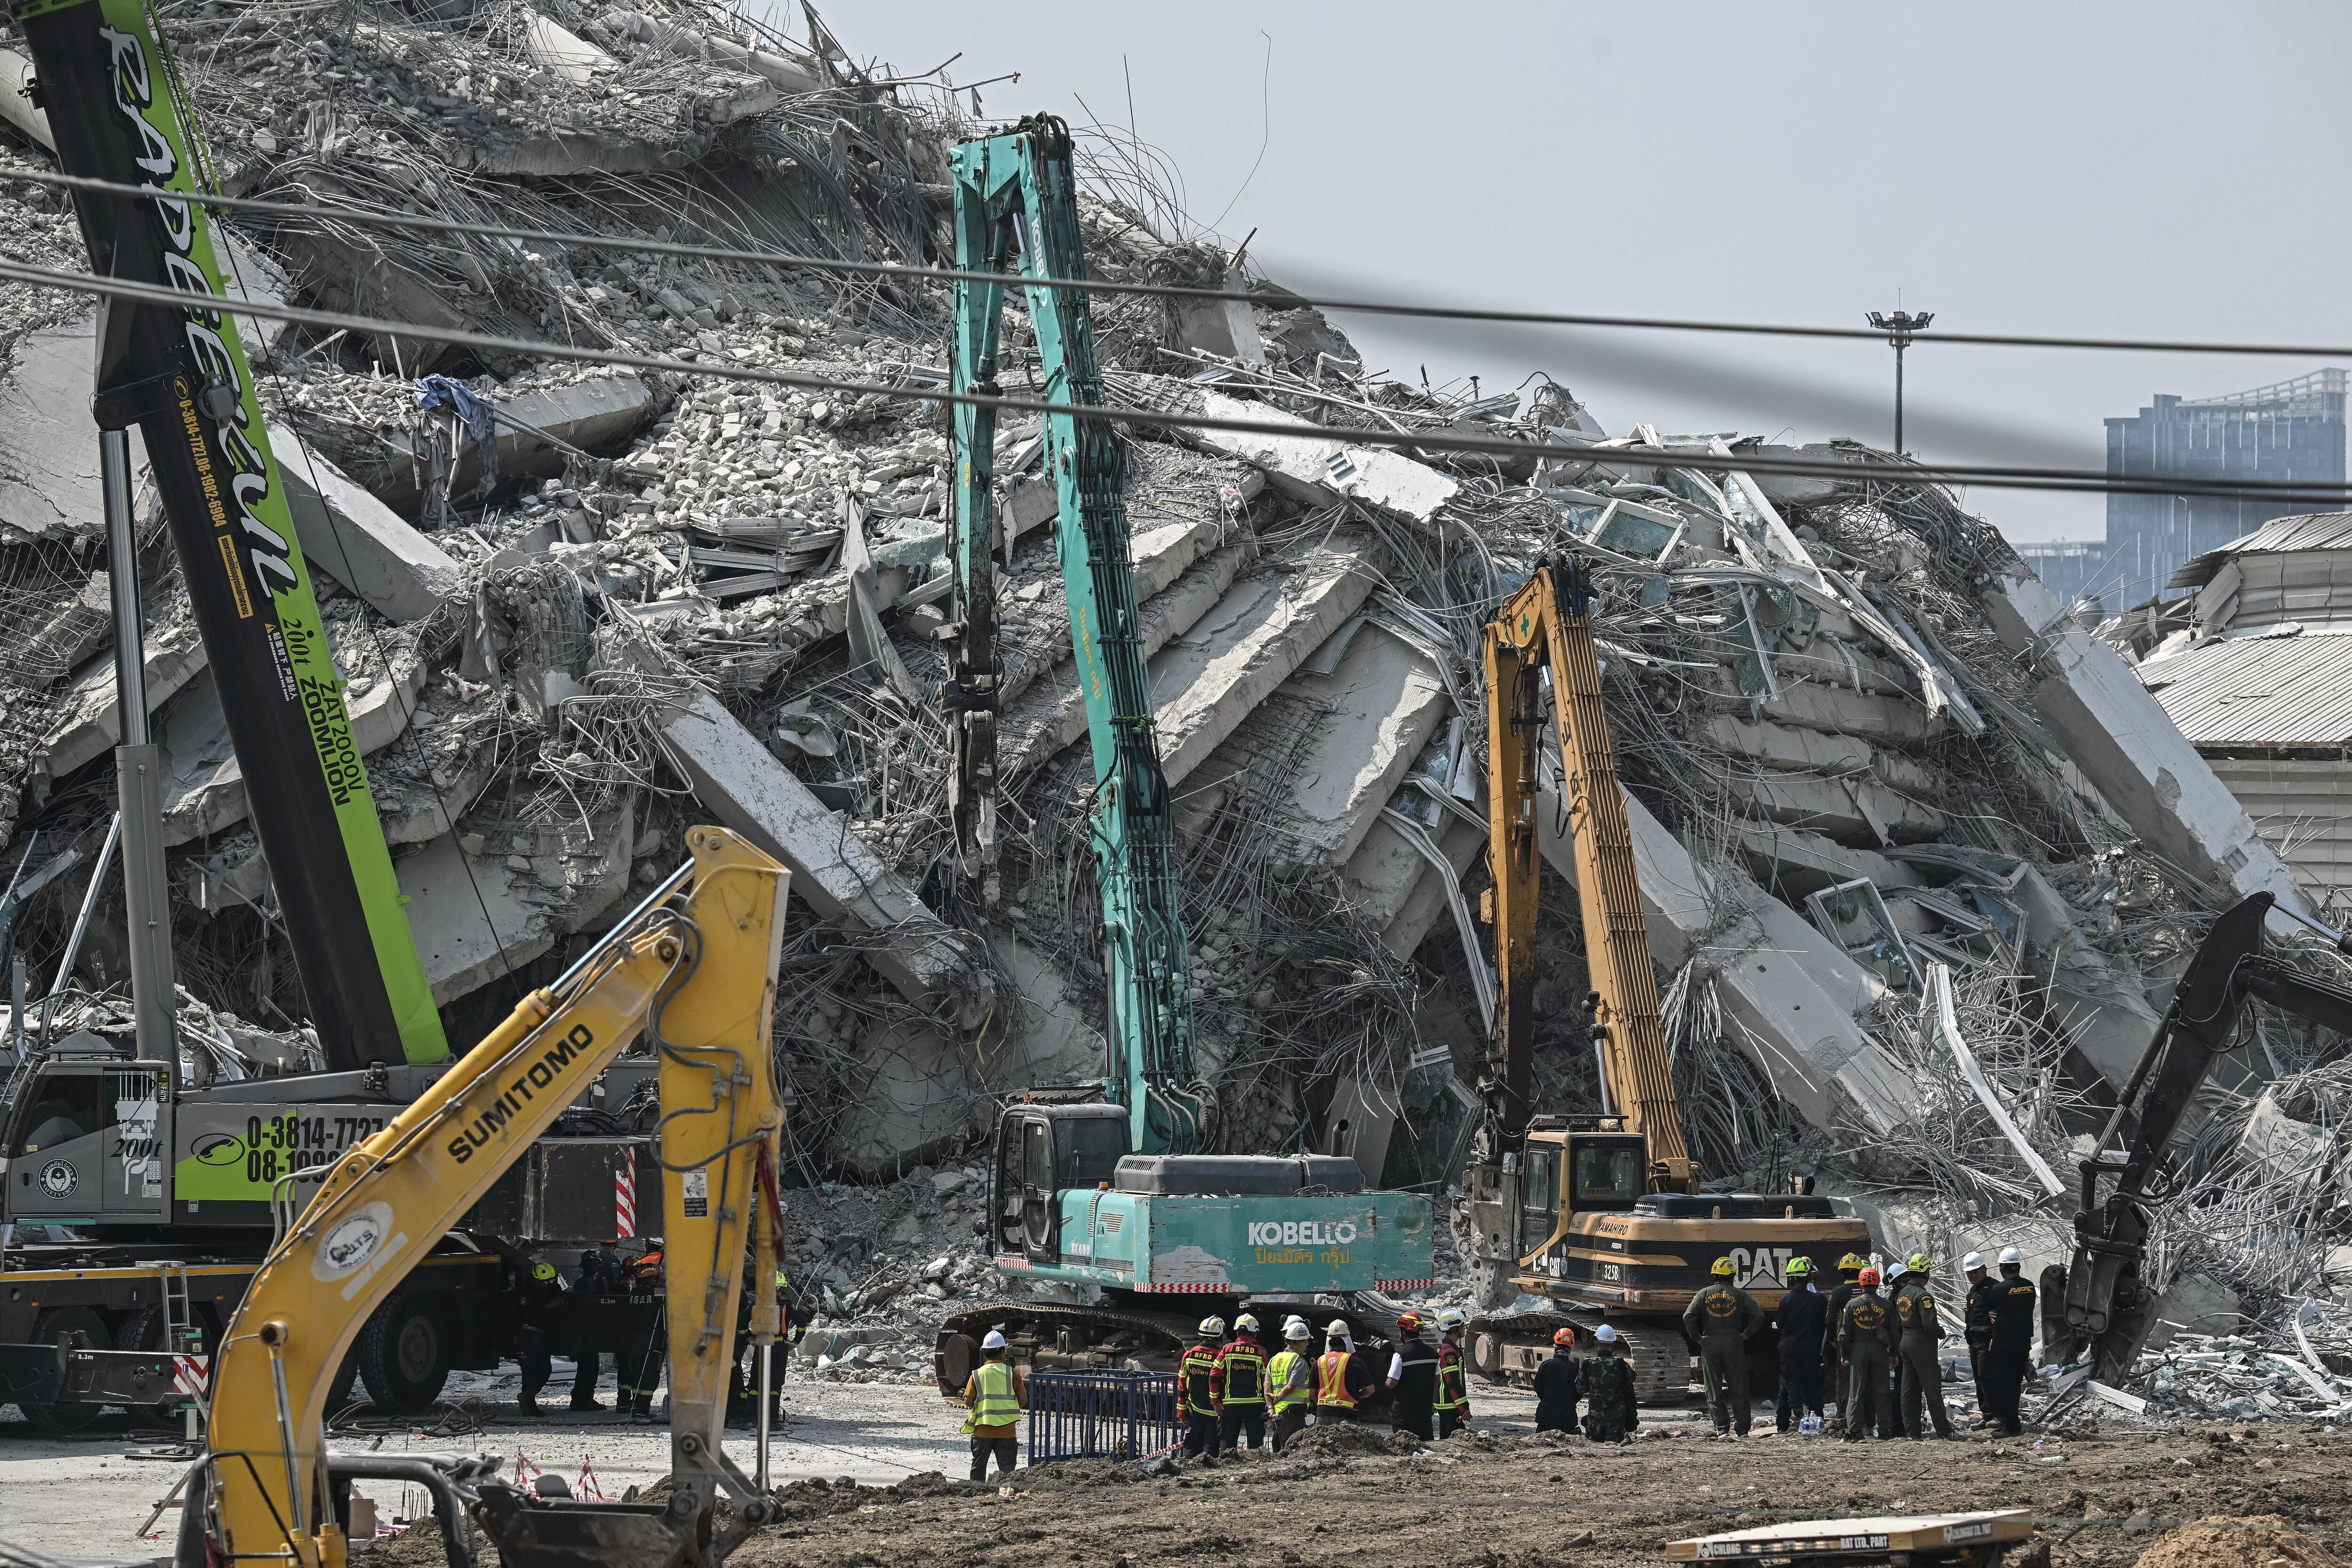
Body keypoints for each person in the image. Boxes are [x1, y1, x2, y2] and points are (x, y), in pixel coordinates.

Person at [1684, 1257, 1765, 1436]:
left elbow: (1688, 1316)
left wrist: (1697, 1338)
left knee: (1713, 1387)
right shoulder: (1740, 1294)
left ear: (1715, 1275)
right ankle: (1742, 1429)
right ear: (1733, 1276)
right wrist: (1747, 1334)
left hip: (1710, 1342)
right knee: (1739, 1386)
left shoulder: (1704, 1293)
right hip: (1734, 1343)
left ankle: (1722, 1429)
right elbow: (1758, 1315)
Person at [1893, 1253, 1955, 1440]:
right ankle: (1945, 1431)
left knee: (1909, 1390)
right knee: (1932, 1388)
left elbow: (1899, 1321)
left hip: (1905, 1342)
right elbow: (1930, 1325)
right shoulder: (1923, 1296)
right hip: (1921, 1345)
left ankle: (1912, 1432)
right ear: (1926, 1273)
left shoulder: (1901, 1294)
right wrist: (1941, 1332)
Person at [1980, 1247, 2038, 1436]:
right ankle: (2011, 1421)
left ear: (2002, 1268)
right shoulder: (2030, 1288)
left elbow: (1984, 1310)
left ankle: (2011, 1426)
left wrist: (1988, 1314)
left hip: (2004, 1344)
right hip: (2023, 1344)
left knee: (2002, 1384)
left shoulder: (1998, 1290)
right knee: (2014, 1384)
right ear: (2019, 1267)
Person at [1837, 1266, 1895, 1442]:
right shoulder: (1887, 1305)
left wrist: (1845, 1354)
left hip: (1859, 1350)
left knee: (1856, 1392)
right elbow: (1894, 1332)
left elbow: (1844, 1333)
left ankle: (1856, 1433)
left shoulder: (1852, 1305)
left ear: (1861, 1282)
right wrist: (1894, 1353)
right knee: (1882, 1391)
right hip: (1879, 1351)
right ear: (1877, 1282)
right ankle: (1884, 1432)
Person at [960, 1330, 1026, 1482]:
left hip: (983, 1431)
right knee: (1008, 1470)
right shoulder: (1013, 1374)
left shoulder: (977, 1374)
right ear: (1003, 1352)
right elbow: (1023, 1401)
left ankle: (976, 1493)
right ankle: (1007, 1493)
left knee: (978, 1467)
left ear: (985, 1352)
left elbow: (968, 1402)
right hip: (1007, 1431)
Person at [1772, 1257, 1827, 1432]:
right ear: (1808, 1278)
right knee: (1813, 1383)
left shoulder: (1786, 1301)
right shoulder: (1819, 1300)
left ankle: (1796, 1418)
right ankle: (1817, 1418)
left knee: (1791, 1383)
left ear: (1791, 1279)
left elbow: (1780, 1324)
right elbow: (1823, 1324)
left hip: (1790, 1350)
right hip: (1812, 1349)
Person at [514, 1259, 567, 1417]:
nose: (549, 1285)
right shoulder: (528, 1294)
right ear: (537, 1281)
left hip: (538, 1335)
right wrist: (549, 1307)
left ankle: (529, 1404)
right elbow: (528, 1315)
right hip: (528, 1335)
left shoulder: (548, 1289)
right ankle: (527, 1399)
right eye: (546, 1283)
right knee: (538, 1370)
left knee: (536, 1370)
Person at [1820, 1252, 1867, 1429]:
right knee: (1865, 1378)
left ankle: (1844, 1415)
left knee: (1844, 1379)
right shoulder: (1866, 1291)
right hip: (1866, 1340)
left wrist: (1832, 1340)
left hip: (1844, 1342)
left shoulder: (1838, 1293)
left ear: (1842, 1273)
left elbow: (1830, 1320)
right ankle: (1865, 1418)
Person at [618, 1244, 665, 1419]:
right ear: (647, 1280)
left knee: (635, 1374)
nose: (658, 1281)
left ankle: (630, 1406)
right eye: (655, 1279)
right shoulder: (658, 1297)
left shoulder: (633, 1295)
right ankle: (642, 1410)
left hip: (633, 1343)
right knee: (649, 1377)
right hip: (652, 1342)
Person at [1214, 1313, 1270, 1452]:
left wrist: (1216, 1402)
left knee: (1227, 1448)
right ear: (1254, 1332)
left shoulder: (1227, 1350)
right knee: (1256, 1449)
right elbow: (1267, 1382)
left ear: (1238, 1331)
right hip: (1255, 1405)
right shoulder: (1261, 1352)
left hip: (1230, 1404)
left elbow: (1214, 1376)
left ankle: (1225, 1472)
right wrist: (1269, 1404)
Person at [1385, 1311, 1440, 1442]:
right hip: (1424, 1413)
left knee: (1405, 1448)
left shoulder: (1400, 1355)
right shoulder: (1433, 1353)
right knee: (1426, 1447)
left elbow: (1392, 1383)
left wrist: (1387, 1382)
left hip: (1404, 1415)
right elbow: (1436, 1380)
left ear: (1403, 1332)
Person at [1579, 1325, 1638, 1442]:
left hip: (1595, 1419)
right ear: (1614, 1344)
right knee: (1614, 1451)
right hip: (1616, 1420)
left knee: (1594, 1450)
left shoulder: (1588, 1365)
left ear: (1596, 1343)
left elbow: (1580, 1389)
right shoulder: (1622, 1365)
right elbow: (1631, 1381)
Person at [1313, 1318, 1376, 1423]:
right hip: (1347, 1416)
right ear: (1347, 1340)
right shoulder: (1356, 1362)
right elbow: (1370, 1390)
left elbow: (1311, 1392)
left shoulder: (1319, 1362)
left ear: (1329, 1340)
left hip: (1322, 1415)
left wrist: (1325, 1405)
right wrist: (1356, 1395)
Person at [1267, 1318, 1315, 1452]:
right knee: (1294, 1449)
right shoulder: (1299, 1362)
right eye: (1306, 1341)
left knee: (1278, 1447)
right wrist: (1277, 1396)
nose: (1307, 1344)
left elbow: (1266, 1386)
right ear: (1300, 1344)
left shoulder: (1274, 1359)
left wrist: (1271, 1407)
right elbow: (1291, 1386)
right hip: (1293, 1413)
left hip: (1277, 1413)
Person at [1962, 1252, 1997, 1428]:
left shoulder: (1994, 1289)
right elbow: (1971, 1318)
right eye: (1970, 1273)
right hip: (1975, 1343)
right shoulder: (1973, 1291)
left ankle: (1998, 1414)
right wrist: (1969, 1342)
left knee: (1988, 1377)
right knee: (1979, 1379)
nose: (1973, 1275)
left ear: (1984, 1269)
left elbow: (2001, 1316)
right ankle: (1987, 1414)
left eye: (1976, 1271)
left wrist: (1995, 1338)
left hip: (1988, 1343)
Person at [1180, 1317, 1224, 1457]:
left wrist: (1181, 1412)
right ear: (1220, 1336)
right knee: (1211, 1452)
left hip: (1194, 1411)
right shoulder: (1220, 1356)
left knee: (1191, 1450)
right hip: (1215, 1413)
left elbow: (1182, 1385)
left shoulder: (1189, 1354)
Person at [1431, 1308, 1473, 1438]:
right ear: (1455, 1328)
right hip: (1450, 1404)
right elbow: (1452, 1382)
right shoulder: (1450, 1352)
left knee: (1445, 1439)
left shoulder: (1444, 1349)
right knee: (1458, 1440)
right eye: (1462, 1325)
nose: (1465, 1328)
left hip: (1445, 1404)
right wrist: (1464, 1407)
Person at [1533, 1326, 1580, 1433]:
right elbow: (1578, 1393)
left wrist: (1548, 1401)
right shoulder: (1574, 1369)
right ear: (1571, 1347)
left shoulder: (1545, 1366)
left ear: (1555, 1345)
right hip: (1567, 1418)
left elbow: (1538, 1388)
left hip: (1546, 1417)